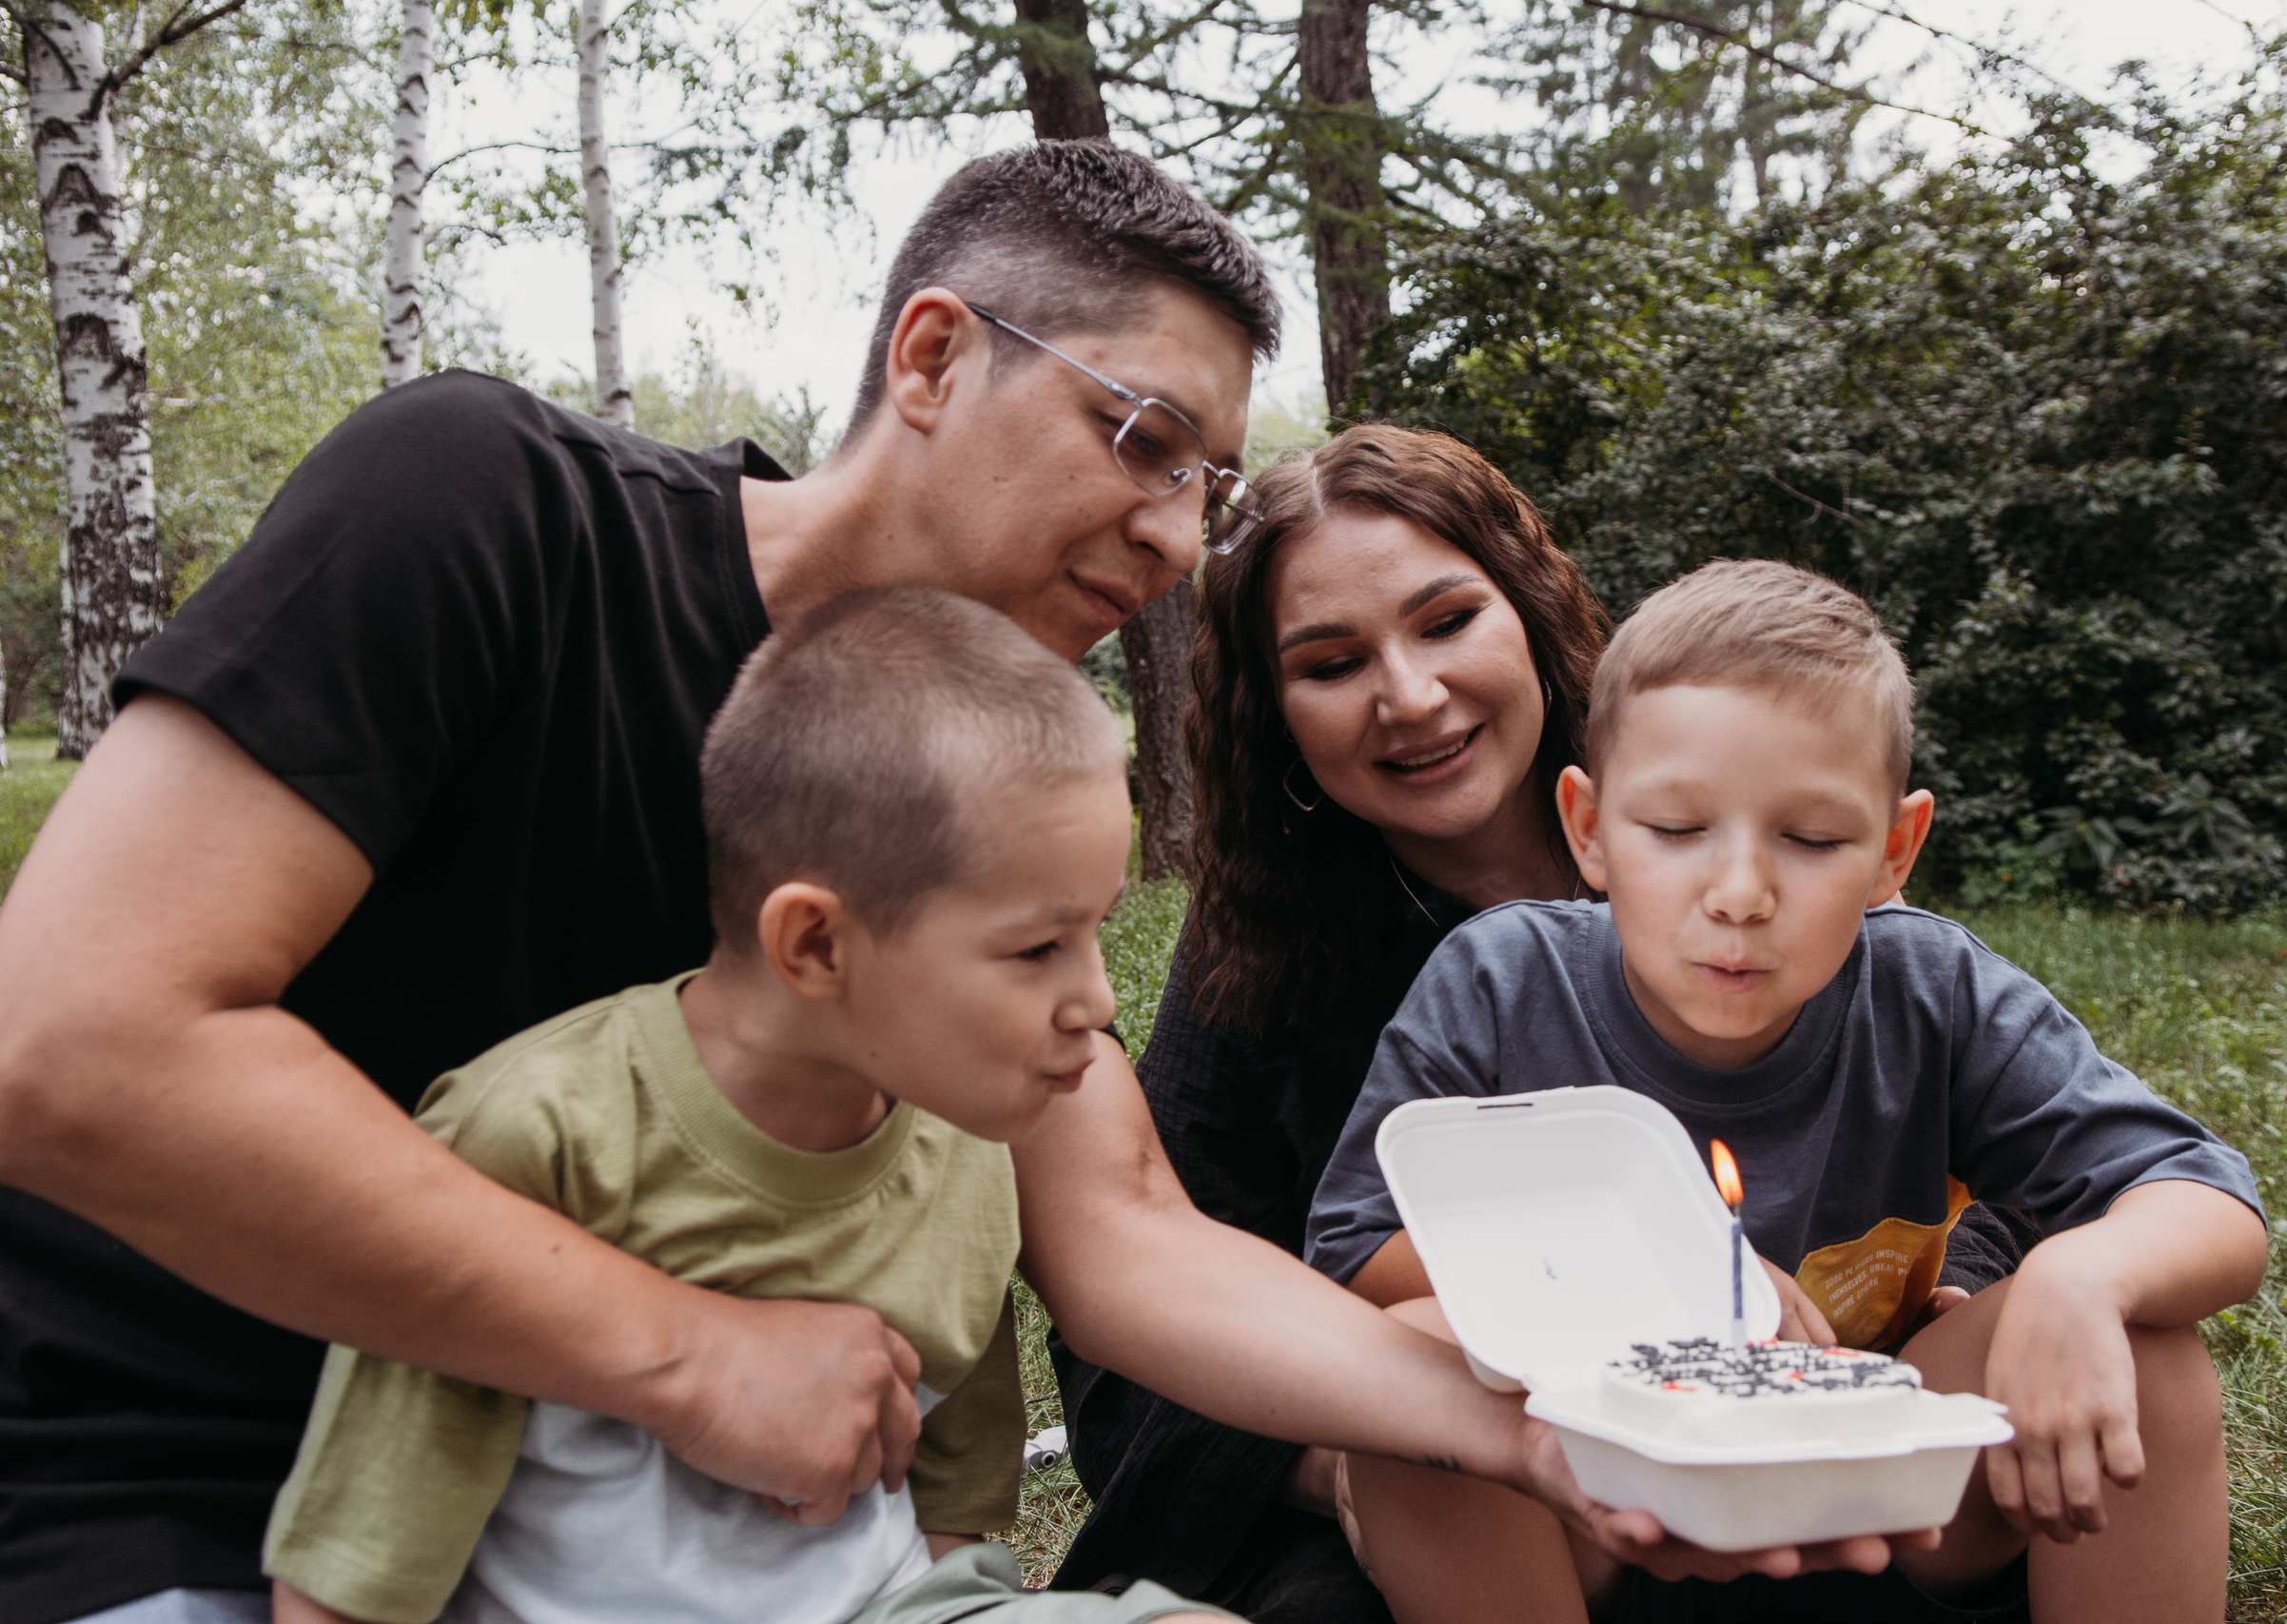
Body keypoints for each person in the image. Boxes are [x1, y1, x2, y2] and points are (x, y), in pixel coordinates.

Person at [0, 142, 1789, 1624]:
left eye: (1209, 481)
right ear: (931, 359)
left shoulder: (993, 767)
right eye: (1141, 439)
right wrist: (678, 1352)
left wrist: (1523, 1422)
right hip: (182, 1502)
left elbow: (1131, 1237)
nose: (1179, 538)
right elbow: (74, 1041)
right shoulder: (493, 514)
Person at [1049, 430, 2034, 1622]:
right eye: (1329, 662)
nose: (1410, 697)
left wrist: (1952, 1300)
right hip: (1469, 1478)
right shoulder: (1260, 956)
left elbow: (1978, 1132)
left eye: (1447, 620)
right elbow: (1149, 1337)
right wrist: (1369, 1454)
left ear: (1530, 611)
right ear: (1278, 716)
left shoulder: (1721, 828)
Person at [1302, 558, 2271, 1623]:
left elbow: (2211, 1204)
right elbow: (1356, 1258)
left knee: (2143, 1348)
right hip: (1597, 1499)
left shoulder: (1931, 991)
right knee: (1405, 1372)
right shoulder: (1501, 983)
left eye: (1810, 840)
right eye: (1675, 830)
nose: (1738, 894)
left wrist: (2081, 1274)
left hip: (1880, 1496)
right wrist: (1669, 1283)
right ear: (1587, 827)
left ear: (1893, 850)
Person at [264, 589, 1228, 1624]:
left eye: (1096, 934)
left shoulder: (964, 1142)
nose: (1096, 999)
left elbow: (955, 1501)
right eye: (1040, 948)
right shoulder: (538, 1137)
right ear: (814, 945)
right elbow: (352, 1569)